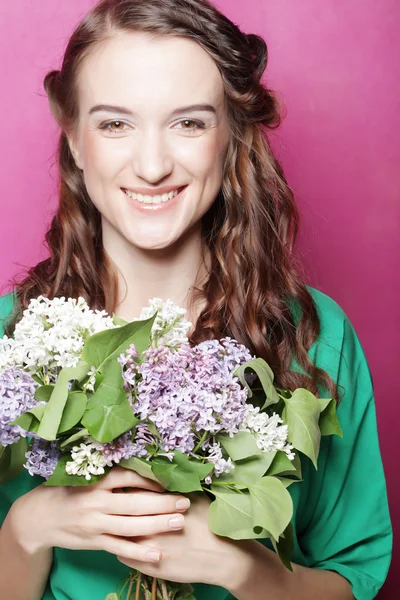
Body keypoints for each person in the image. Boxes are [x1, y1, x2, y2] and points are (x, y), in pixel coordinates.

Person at [0, 0, 392, 599]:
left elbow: (355, 575)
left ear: (231, 137)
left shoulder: (315, 336)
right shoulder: (10, 337)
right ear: (75, 140)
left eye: (189, 123)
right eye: (114, 124)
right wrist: (27, 529)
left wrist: (243, 568)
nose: (153, 165)